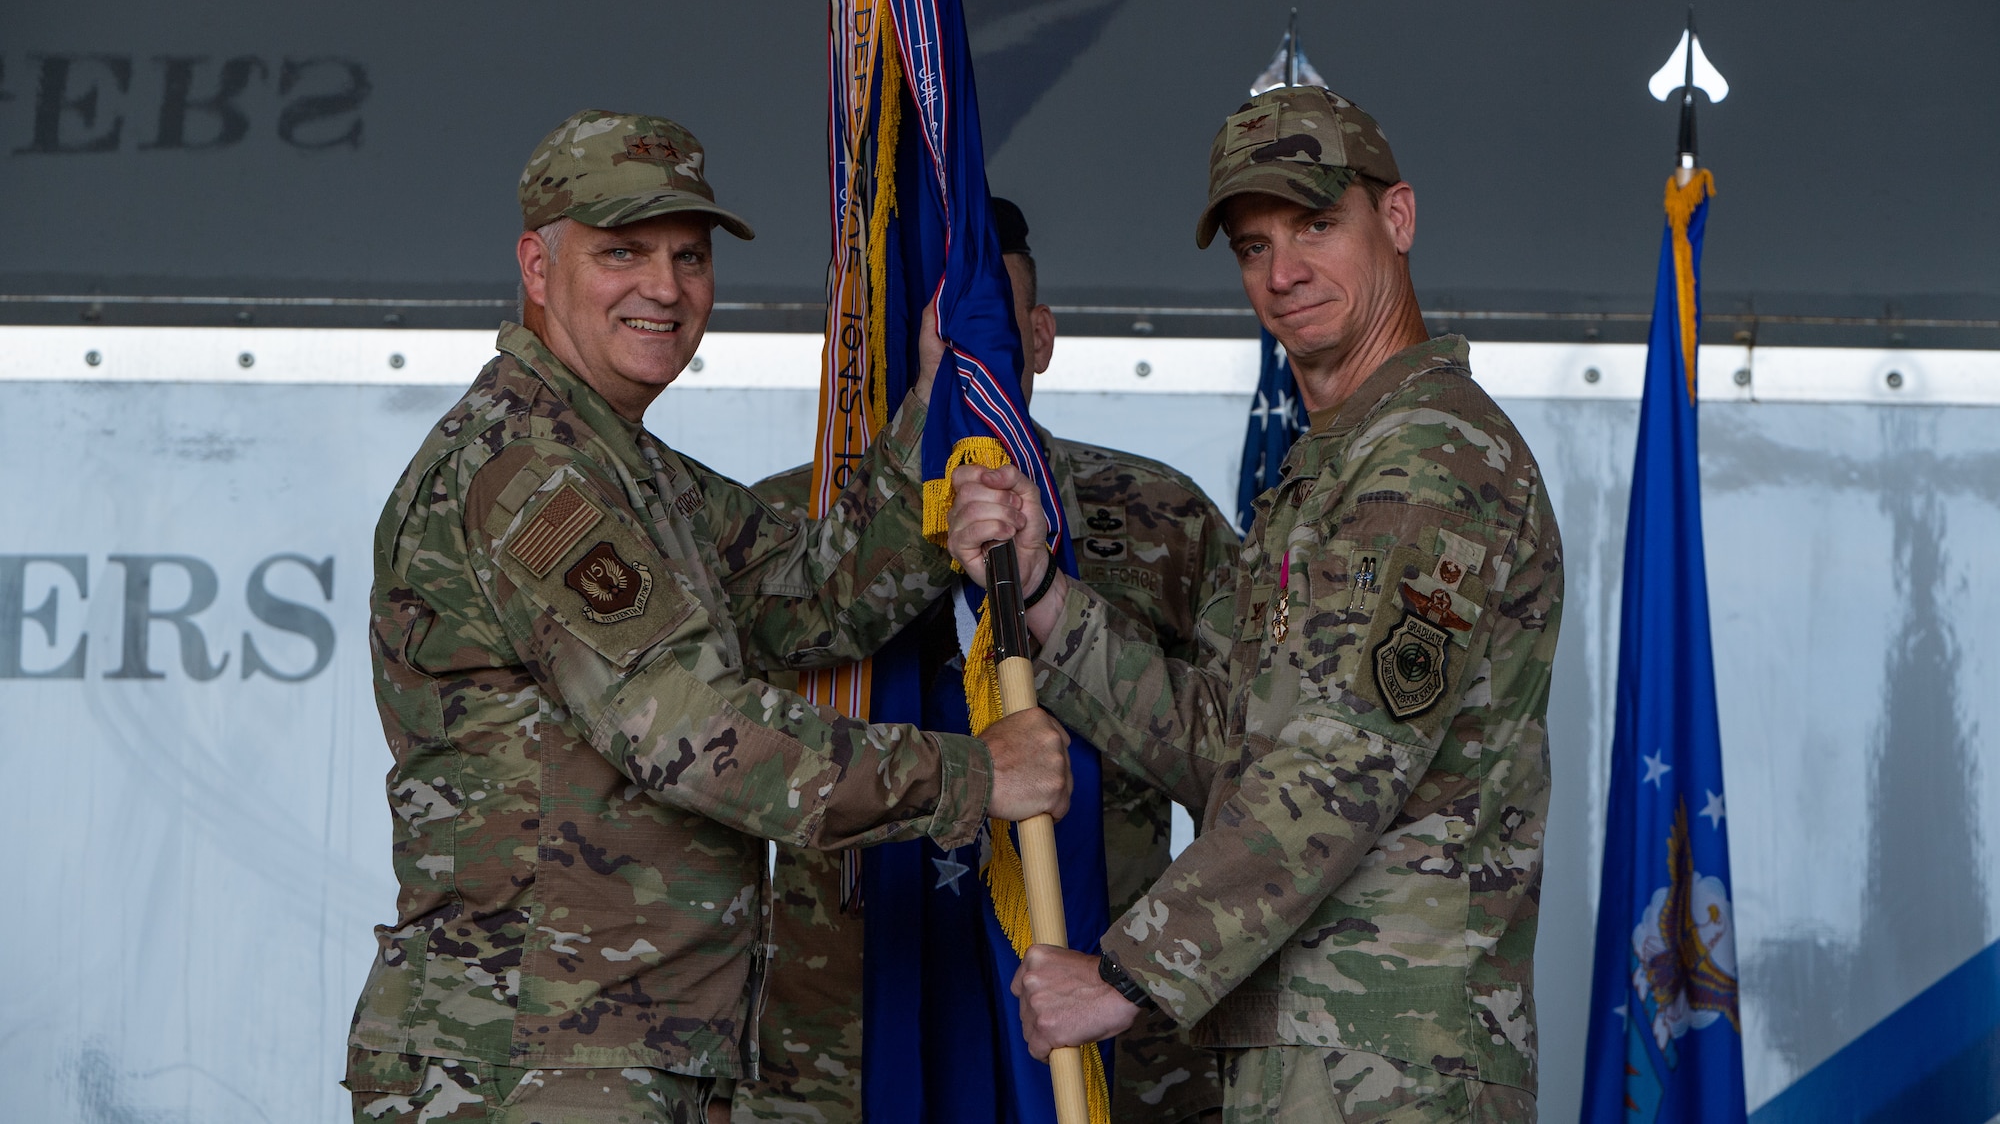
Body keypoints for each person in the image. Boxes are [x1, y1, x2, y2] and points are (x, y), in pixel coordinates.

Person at [343, 110, 1074, 1124]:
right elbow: (698, 735)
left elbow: (814, 594)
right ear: (537, 264)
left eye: (688, 256)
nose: (665, 287)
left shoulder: (630, 472)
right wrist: (975, 775)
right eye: (622, 252)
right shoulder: (527, 474)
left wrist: (936, 414)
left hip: (630, 1045)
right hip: (530, 1056)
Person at [947, 87, 1565, 1122]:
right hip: (1298, 1050)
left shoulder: (1431, 460)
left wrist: (1125, 971)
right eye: (1251, 245)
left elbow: (1340, 763)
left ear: (1397, 219)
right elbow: (1227, 747)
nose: (1282, 273)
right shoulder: (1327, 472)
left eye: (1317, 225)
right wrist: (1048, 597)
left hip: (1390, 1064)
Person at [733, 197, 1238, 1124]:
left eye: (987, 324)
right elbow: (713, 767)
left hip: (1110, 1061)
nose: (963, 354)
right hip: (832, 1059)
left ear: (1039, 337)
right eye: (937, 331)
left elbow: (1255, 768)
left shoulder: (1165, 520)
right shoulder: (793, 538)